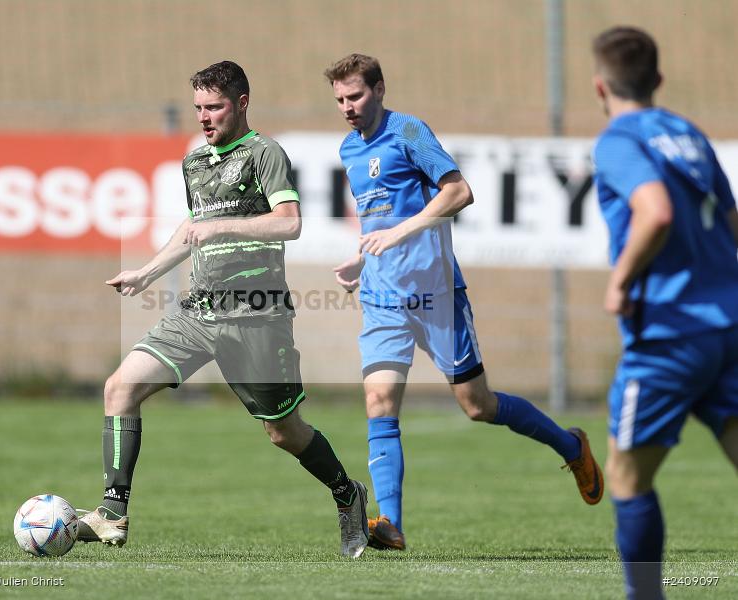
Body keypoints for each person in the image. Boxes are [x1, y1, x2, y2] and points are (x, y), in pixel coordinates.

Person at [77, 60, 369, 558]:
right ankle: (112, 512)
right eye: (198, 109)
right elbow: (194, 227)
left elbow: (289, 223)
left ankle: (347, 494)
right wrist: (146, 272)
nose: (205, 118)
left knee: (283, 432)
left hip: (257, 315)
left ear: (242, 103)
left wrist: (224, 227)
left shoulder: (264, 153)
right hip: (199, 310)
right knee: (119, 387)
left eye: (214, 107)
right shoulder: (195, 163)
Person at [323, 53, 604, 551]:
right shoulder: (348, 148)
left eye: (356, 95)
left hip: (437, 297)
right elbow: (380, 220)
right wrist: (361, 262)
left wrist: (401, 231)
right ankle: (390, 523)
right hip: (383, 300)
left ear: (380, 89)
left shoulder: (408, 132)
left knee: (478, 406)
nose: (347, 106)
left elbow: (459, 191)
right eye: (341, 98)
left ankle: (571, 445)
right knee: (379, 401)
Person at [591, 27, 738, 599]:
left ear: (599, 87)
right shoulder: (687, 133)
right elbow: (730, 219)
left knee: (626, 478)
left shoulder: (618, 140)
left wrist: (621, 279)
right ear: (657, 81)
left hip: (670, 335)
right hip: (728, 326)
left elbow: (653, 213)